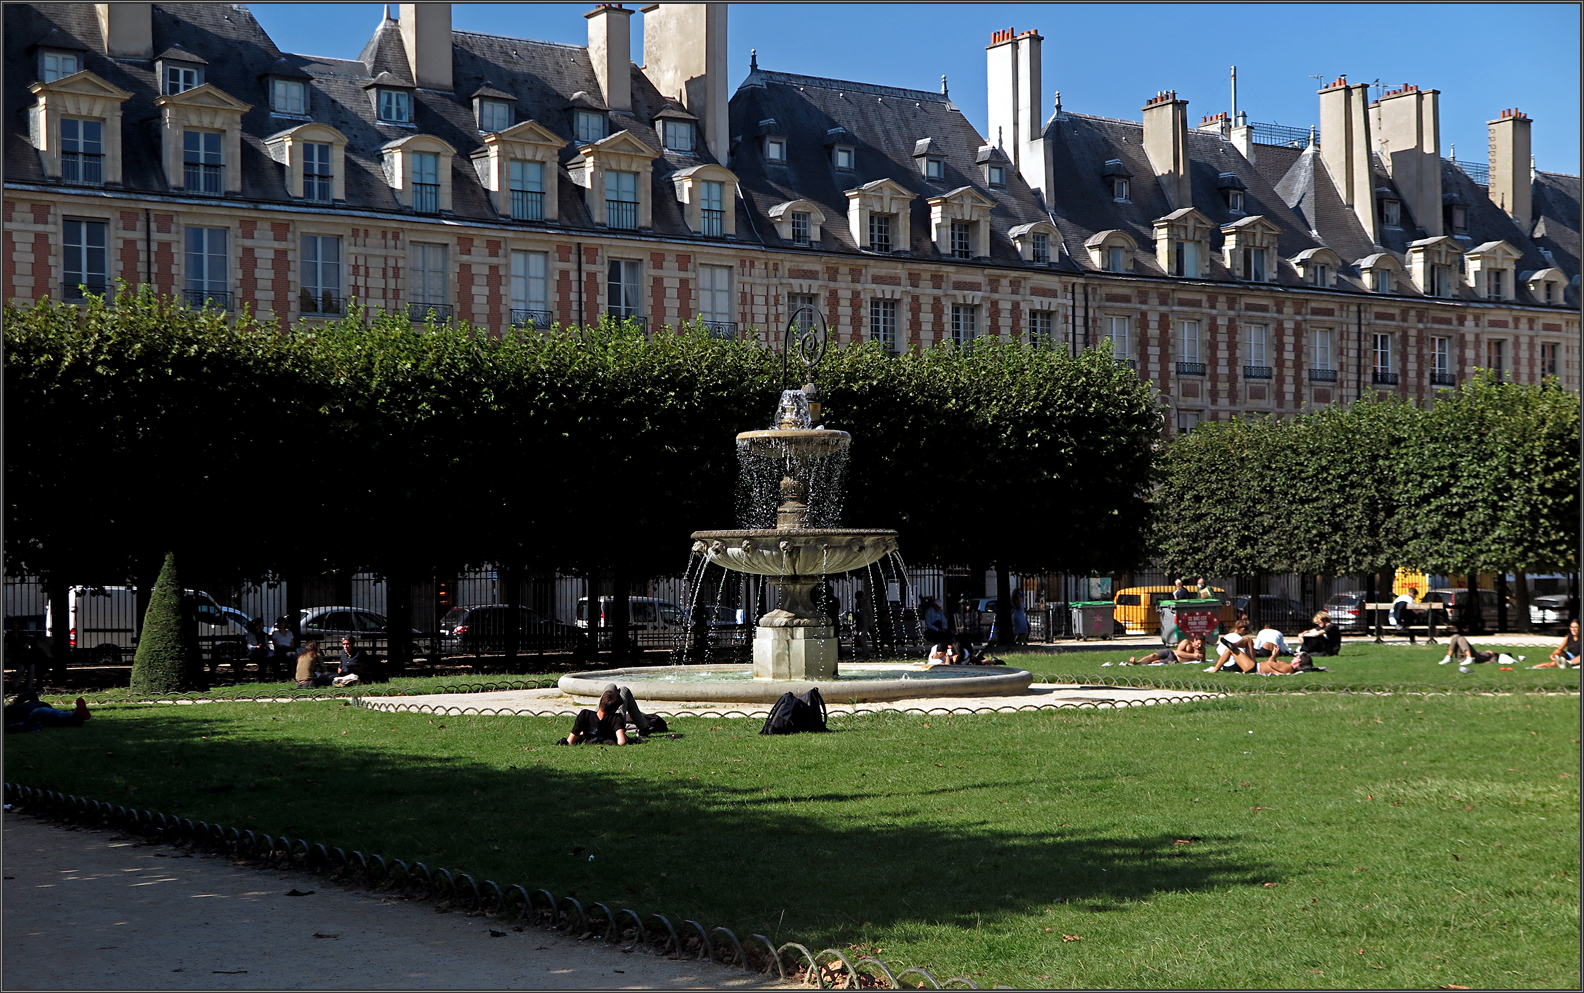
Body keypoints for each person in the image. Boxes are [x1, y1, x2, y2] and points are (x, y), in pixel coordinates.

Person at [1439, 622, 1521, 673]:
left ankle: (1459, 657)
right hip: (1464, 657)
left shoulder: (1494, 656)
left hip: (1475, 657)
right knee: (1457, 636)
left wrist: (1491, 655)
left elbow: (1492, 661)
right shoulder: (1490, 654)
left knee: (1460, 637)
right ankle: (1449, 657)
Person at [559, 688, 627, 745]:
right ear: (614, 710)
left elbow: (570, 740)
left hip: (591, 730)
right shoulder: (616, 718)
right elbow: (621, 742)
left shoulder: (585, 715)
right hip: (610, 730)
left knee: (611, 686)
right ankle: (638, 726)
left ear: (600, 701)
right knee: (624, 689)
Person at [4, 692, 91, 732]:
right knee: (56, 717)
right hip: (36, 714)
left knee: (55, 717)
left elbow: (31, 694)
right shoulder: (7, 712)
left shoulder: (10, 709)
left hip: (36, 713)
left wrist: (15, 701)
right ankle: (76, 718)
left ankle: (75, 718)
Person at [1121, 632, 1206, 666]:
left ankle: (1149, 663)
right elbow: (1178, 652)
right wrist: (1194, 656)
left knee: (1155, 662)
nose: (1199, 646)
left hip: (1174, 660)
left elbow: (1203, 661)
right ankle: (1137, 663)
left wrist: (1201, 658)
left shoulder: (1202, 650)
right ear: (1194, 640)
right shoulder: (1186, 642)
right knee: (1153, 655)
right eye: (1198, 644)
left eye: (1201, 644)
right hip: (1171, 653)